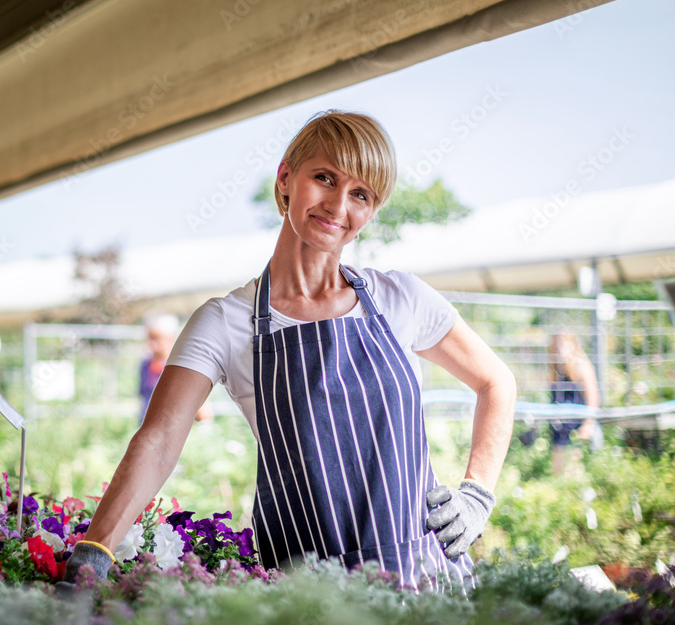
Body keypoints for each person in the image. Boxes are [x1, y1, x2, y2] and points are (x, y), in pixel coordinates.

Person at [63, 110, 516, 591]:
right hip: (310, 595)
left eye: (360, 194)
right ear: (285, 178)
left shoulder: (400, 298)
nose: (338, 205)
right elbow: (157, 444)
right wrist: (93, 554)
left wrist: (476, 496)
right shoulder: (225, 322)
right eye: (325, 178)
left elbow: (497, 383)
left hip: (425, 576)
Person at [138, 313, 213, 425]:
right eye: (149, 338)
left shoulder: (182, 367)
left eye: (156, 339)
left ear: (171, 339)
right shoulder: (145, 365)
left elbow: (204, 413)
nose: (151, 344)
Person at [548, 330, 600, 474]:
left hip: (577, 425)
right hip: (559, 427)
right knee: (557, 471)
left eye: (564, 345)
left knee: (574, 470)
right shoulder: (556, 369)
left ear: (573, 345)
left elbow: (593, 399)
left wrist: (588, 425)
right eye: (557, 345)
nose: (560, 349)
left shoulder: (581, 366)